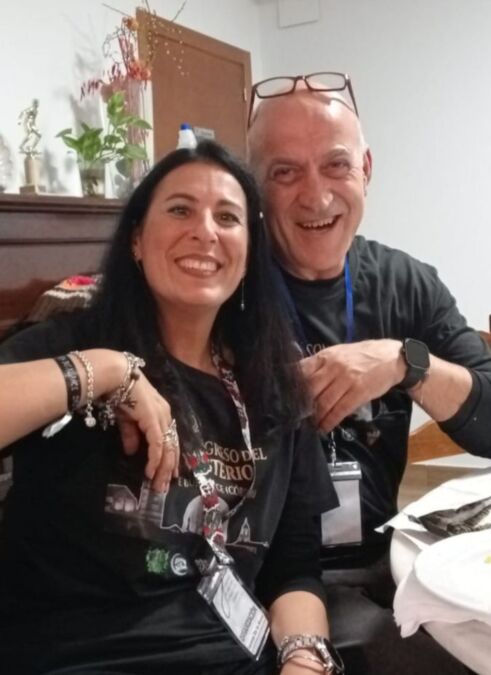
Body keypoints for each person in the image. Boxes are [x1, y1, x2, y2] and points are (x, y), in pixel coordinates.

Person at [0, 140, 342, 675]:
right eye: (180, 210)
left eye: (227, 217)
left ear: (249, 253)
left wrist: (304, 658)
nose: (205, 231)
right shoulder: (70, 345)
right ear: (137, 239)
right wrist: (105, 371)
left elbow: (294, 569)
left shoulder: (274, 384)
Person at [247, 73, 491, 673]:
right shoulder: (228, 287)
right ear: (255, 186)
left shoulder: (407, 282)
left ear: (366, 169)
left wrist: (406, 362)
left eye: (336, 165)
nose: (316, 196)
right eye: (285, 172)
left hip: (383, 564)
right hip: (261, 579)